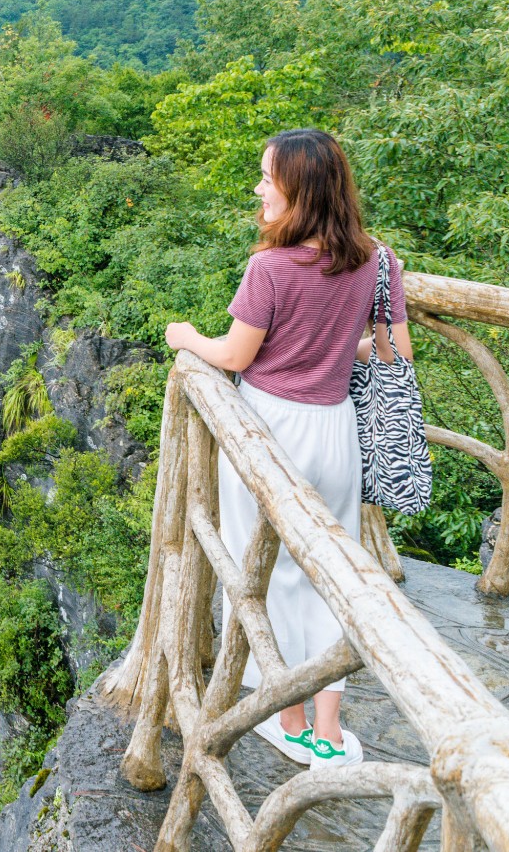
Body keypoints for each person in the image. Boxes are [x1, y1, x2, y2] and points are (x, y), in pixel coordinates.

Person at [163, 128, 410, 772]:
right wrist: (327, 351)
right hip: (335, 431)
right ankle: (329, 730)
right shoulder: (375, 262)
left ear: (299, 190)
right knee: (327, 573)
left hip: (269, 430)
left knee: (265, 572)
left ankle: (288, 718)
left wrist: (186, 335)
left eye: (268, 178)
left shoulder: (269, 269)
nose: (258, 189)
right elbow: (392, 354)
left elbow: (235, 356)